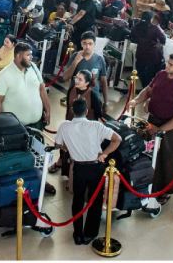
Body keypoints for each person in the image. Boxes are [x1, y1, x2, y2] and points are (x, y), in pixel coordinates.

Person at [0, 41, 56, 194]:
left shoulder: (33, 67)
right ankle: (19, 184)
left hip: (37, 124)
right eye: (28, 55)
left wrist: (48, 109)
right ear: (18, 56)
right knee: (19, 157)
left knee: (38, 154)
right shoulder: (5, 74)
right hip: (17, 127)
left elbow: (42, 89)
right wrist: (2, 127)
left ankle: (41, 180)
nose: (31, 58)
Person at [55, 98, 121, 245]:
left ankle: (78, 234)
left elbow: (58, 144)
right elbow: (117, 139)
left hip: (78, 168)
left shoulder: (64, 126)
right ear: (86, 111)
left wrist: (68, 148)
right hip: (96, 167)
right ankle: (90, 233)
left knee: (77, 200)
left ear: (72, 110)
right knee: (95, 200)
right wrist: (104, 154)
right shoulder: (96, 125)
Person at [131, 51, 173, 204]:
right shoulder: (161, 74)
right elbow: (148, 90)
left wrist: (161, 129)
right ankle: (148, 184)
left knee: (168, 159)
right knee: (150, 154)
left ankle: (165, 191)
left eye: (171, 65)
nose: (167, 66)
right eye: (167, 63)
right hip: (154, 121)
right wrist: (137, 100)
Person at [63, 31, 110, 104]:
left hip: (93, 100)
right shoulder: (75, 56)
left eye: (90, 44)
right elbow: (65, 77)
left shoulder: (100, 59)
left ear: (94, 44)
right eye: (84, 43)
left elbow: (103, 81)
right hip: (76, 100)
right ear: (81, 44)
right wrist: (75, 62)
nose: (87, 47)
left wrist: (106, 102)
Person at [131, 10, 166, 90]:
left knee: (142, 74)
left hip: (140, 54)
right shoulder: (154, 28)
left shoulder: (136, 27)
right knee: (151, 76)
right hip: (153, 56)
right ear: (150, 19)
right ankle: (149, 91)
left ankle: (145, 89)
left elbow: (132, 38)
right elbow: (163, 40)